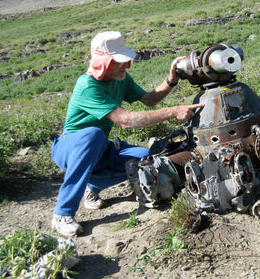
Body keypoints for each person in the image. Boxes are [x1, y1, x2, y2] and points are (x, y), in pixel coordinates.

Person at [51, 31, 203, 236]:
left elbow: (150, 99)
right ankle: (62, 214)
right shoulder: (87, 86)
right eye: (119, 61)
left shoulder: (120, 79)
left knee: (144, 160)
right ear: (101, 61)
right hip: (69, 146)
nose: (127, 65)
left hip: (97, 149)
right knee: (93, 135)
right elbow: (126, 121)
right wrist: (174, 112)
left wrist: (171, 79)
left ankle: (91, 187)